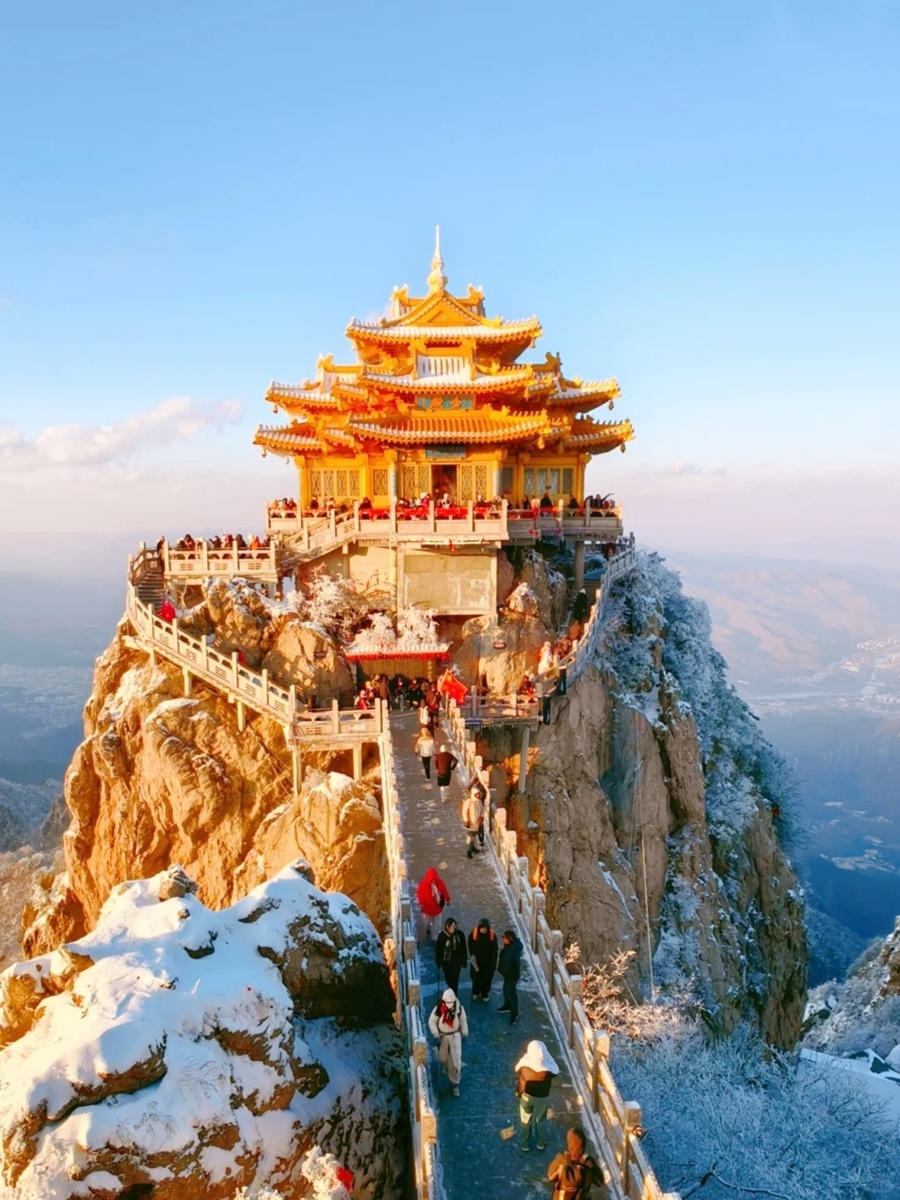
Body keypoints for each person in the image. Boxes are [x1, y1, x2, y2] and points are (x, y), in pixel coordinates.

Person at [516, 1039, 559, 1151]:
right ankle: (541, 1143)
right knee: (540, 1120)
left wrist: (527, 1057)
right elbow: (556, 1070)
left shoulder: (524, 1067)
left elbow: (517, 1069)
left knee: (525, 1120)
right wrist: (547, 1056)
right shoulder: (547, 1071)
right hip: (541, 1098)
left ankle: (525, 1144)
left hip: (526, 1097)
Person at [428, 987, 468, 1097]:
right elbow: (432, 1021)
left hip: (455, 1037)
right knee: (443, 1058)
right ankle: (446, 1068)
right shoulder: (439, 1009)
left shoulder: (459, 1008)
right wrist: (436, 1035)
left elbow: (463, 1020)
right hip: (443, 1037)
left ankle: (455, 1084)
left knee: (456, 1061)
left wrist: (464, 1033)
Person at [547, 1127, 608, 1199]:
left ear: (570, 1146)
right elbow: (600, 1182)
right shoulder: (589, 1162)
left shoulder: (562, 1159)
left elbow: (550, 1176)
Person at [435, 915, 468, 995]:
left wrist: (464, 961)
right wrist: (439, 962)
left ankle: (454, 994)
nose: (453, 928)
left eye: (454, 926)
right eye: (451, 926)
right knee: (448, 978)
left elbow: (463, 948)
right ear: (447, 926)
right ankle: (450, 990)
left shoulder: (460, 935)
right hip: (446, 961)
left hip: (457, 961)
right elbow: (438, 950)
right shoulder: (442, 936)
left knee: (455, 979)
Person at [467, 917, 498, 1002]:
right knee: (476, 978)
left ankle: (485, 993)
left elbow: (495, 951)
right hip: (477, 962)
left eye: (485, 929)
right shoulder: (474, 934)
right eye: (482, 929)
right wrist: (472, 955)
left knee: (487, 979)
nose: (483, 930)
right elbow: (470, 945)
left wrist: (493, 964)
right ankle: (475, 992)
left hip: (488, 963)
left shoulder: (492, 936)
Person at [416, 866, 450, 940]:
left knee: (437, 925)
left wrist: (448, 899)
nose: (433, 882)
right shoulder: (423, 884)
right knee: (425, 923)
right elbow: (419, 894)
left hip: (436, 908)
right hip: (427, 908)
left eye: (434, 880)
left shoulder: (439, 883)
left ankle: (436, 937)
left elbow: (444, 891)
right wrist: (421, 902)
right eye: (432, 880)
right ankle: (426, 933)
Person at [498, 928, 522, 1025]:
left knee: (512, 994)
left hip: (511, 976)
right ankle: (507, 1005)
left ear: (509, 939)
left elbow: (514, 964)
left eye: (504, 937)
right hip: (507, 974)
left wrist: (511, 975)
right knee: (506, 990)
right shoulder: (510, 947)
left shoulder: (513, 951)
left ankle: (514, 1013)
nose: (503, 939)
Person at [461, 782, 485, 859]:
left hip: (477, 822)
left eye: (479, 794)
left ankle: (473, 847)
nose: (478, 796)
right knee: (470, 837)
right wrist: (466, 820)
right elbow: (464, 811)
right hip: (470, 822)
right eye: (476, 794)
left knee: (474, 836)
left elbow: (483, 810)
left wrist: (482, 817)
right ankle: (469, 851)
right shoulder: (469, 802)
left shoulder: (479, 802)